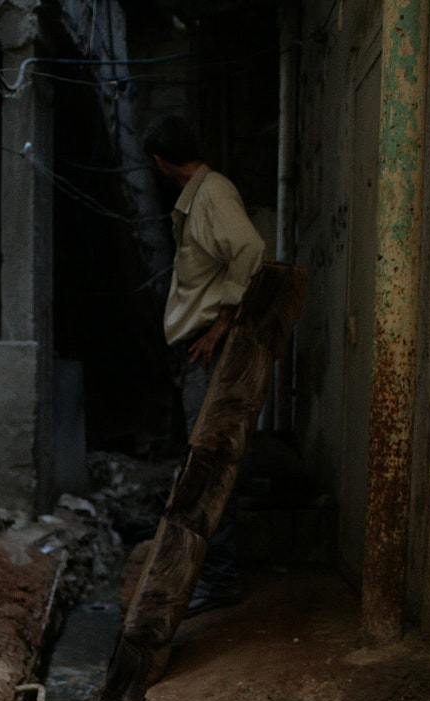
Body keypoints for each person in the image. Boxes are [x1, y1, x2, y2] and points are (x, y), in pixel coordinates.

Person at [143, 115, 267, 615]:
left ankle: (218, 579)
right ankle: (214, 576)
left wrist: (224, 321)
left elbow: (251, 249)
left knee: (209, 464)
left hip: (207, 349)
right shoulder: (201, 195)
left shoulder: (212, 193)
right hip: (198, 349)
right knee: (205, 462)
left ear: (158, 162)